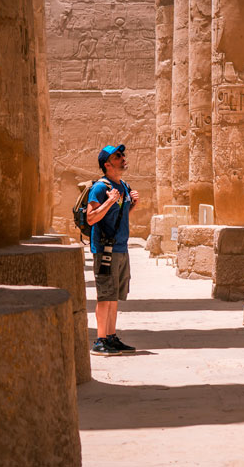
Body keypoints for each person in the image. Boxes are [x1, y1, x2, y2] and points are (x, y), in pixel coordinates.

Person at [86, 144, 140, 356]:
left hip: (121, 248)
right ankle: (100, 340)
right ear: (107, 164)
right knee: (104, 295)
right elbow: (92, 217)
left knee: (114, 295)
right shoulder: (100, 188)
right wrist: (109, 200)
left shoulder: (123, 186)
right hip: (105, 248)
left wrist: (132, 204)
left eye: (122, 155)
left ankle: (111, 337)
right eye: (118, 156)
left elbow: (120, 216)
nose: (123, 158)